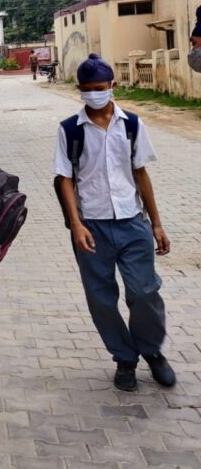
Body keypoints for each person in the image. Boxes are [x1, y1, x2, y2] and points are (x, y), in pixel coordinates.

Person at [54, 53, 175, 392]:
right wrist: (76, 224)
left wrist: (156, 223)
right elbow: (64, 179)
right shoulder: (69, 130)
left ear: (112, 86)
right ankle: (124, 358)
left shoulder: (132, 125)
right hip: (91, 227)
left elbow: (141, 173)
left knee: (144, 292)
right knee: (101, 299)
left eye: (100, 88)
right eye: (88, 89)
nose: (94, 94)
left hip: (132, 222)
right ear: (80, 89)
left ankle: (152, 351)